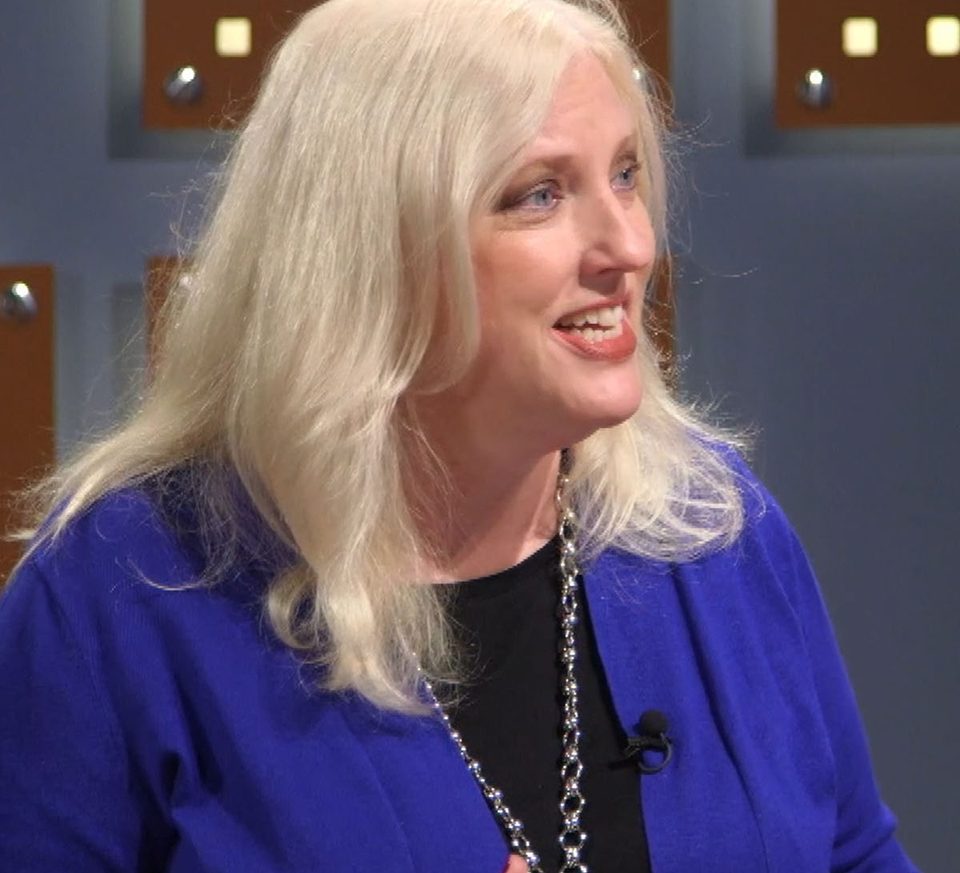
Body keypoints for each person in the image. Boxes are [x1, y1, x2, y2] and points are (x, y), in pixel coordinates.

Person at [0, 0, 918, 871]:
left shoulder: (714, 524)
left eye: (626, 174)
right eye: (540, 194)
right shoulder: (121, 587)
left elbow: (854, 852)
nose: (628, 247)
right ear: (373, 252)